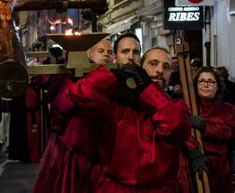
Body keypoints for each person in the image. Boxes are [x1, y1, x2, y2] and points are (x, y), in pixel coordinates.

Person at [68, 39, 191, 192]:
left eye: (166, 67)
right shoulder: (116, 105)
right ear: (140, 67)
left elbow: (175, 126)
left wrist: (148, 89)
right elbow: (79, 94)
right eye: (153, 64)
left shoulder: (177, 107)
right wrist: (112, 75)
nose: (160, 70)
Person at [33, 38, 113, 192]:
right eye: (101, 51)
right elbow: (57, 101)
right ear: (89, 54)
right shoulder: (72, 79)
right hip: (70, 151)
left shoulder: (113, 79)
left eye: (110, 52)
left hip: (99, 150)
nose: (106, 55)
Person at [188, 66, 235, 193]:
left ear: (217, 86)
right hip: (193, 165)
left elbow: (229, 133)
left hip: (219, 168)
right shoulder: (189, 107)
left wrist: (204, 126)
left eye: (210, 81)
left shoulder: (229, 109)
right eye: (201, 81)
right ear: (196, 85)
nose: (205, 85)